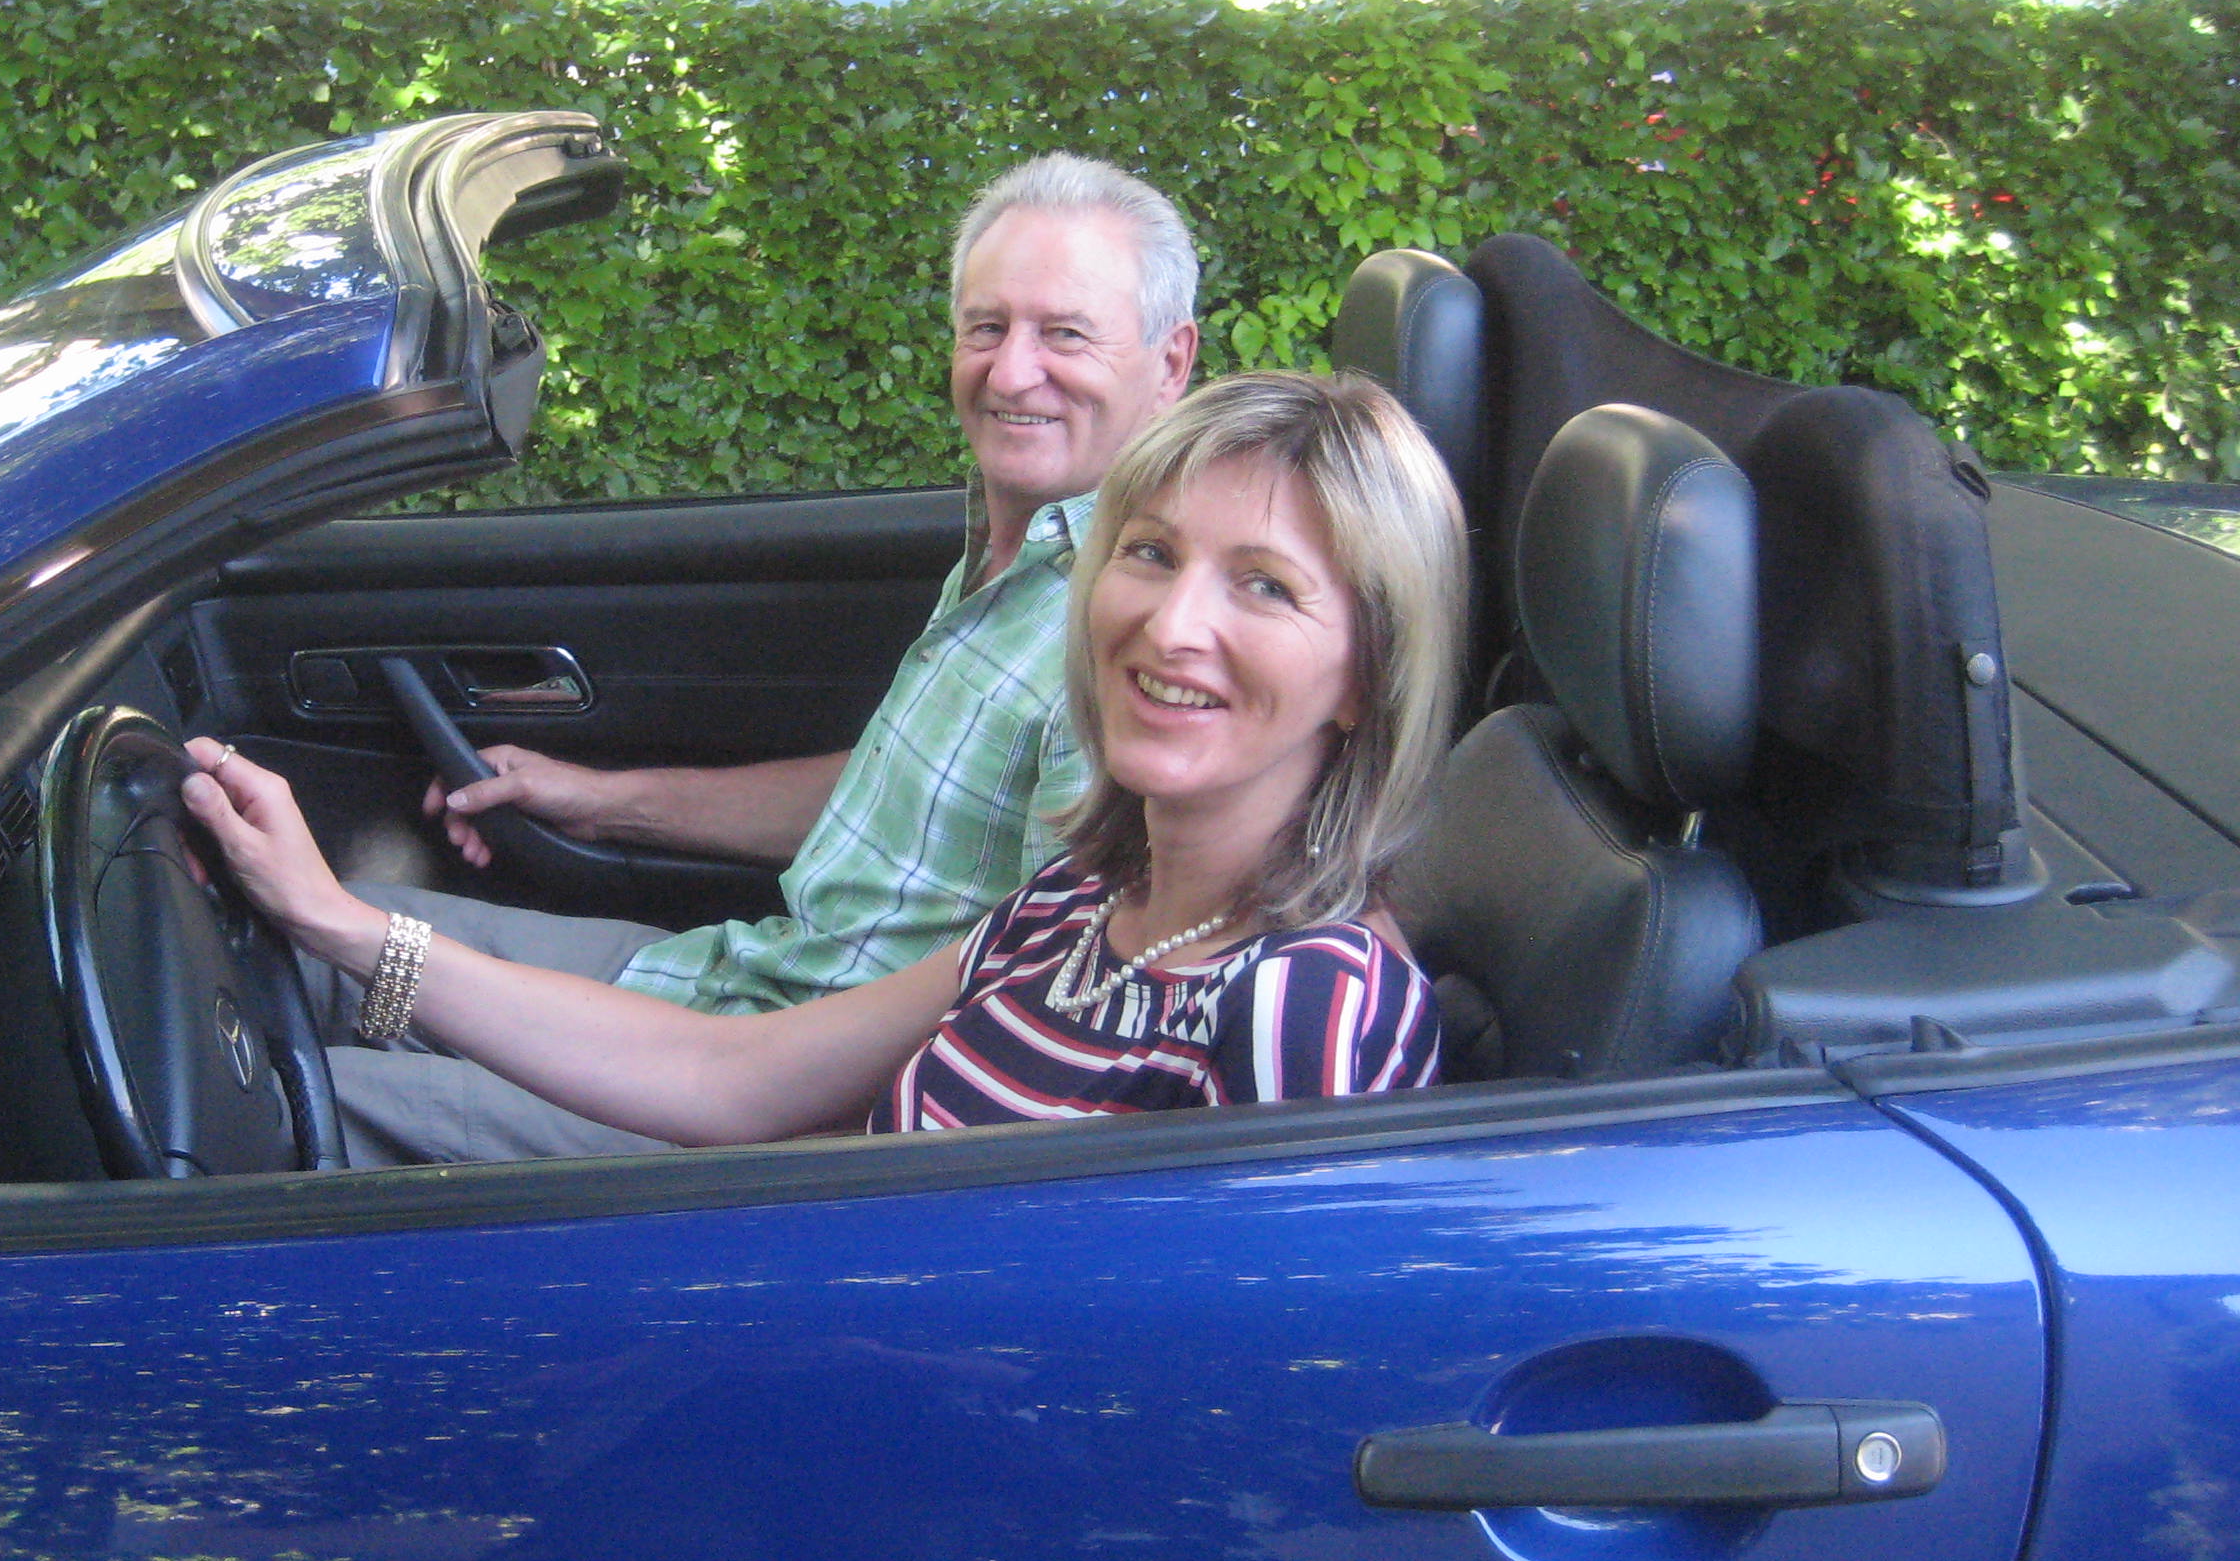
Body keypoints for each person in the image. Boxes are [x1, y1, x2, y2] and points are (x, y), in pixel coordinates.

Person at [187, 368, 1465, 1143]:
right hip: (780, 1286)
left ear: (1369, 676)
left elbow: (1250, 1407)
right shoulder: (1081, 903)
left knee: (278, 1119)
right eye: (1149, 553)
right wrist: (342, 924)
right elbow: (727, 1075)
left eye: (1265, 587)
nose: (1172, 623)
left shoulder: (1306, 1005)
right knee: (284, 1041)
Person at [313, 152, 1203, 1162]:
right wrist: (601, 800)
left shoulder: (1131, 634)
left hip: (772, 1114)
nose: (1010, 372)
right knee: (316, 943)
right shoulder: (1015, 547)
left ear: (1170, 362)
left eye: (1066, 334)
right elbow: (896, 801)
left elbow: (1037, 1011)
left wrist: (763, 1137)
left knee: (306, 1108)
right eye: (986, 328)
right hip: (734, 984)